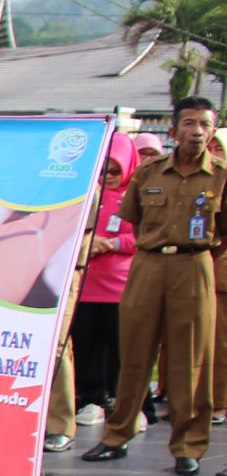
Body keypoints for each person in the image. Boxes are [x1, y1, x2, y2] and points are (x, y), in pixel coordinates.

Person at [84, 96, 222, 476]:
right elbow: (132, 220)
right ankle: (117, 436)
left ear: (212, 132)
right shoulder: (149, 173)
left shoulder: (222, 175)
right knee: (133, 354)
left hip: (194, 266)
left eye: (204, 125)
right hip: (147, 264)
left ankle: (188, 446)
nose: (197, 131)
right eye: (189, 123)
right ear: (174, 130)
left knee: (190, 360)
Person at [70, 132, 139, 430]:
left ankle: (128, 404)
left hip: (121, 285)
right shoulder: (87, 194)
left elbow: (145, 234)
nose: (108, 177)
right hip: (88, 284)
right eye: (103, 170)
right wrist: (89, 242)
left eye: (115, 170)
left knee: (123, 350)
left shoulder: (135, 194)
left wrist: (112, 244)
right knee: (87, 347)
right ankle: (92, 399)